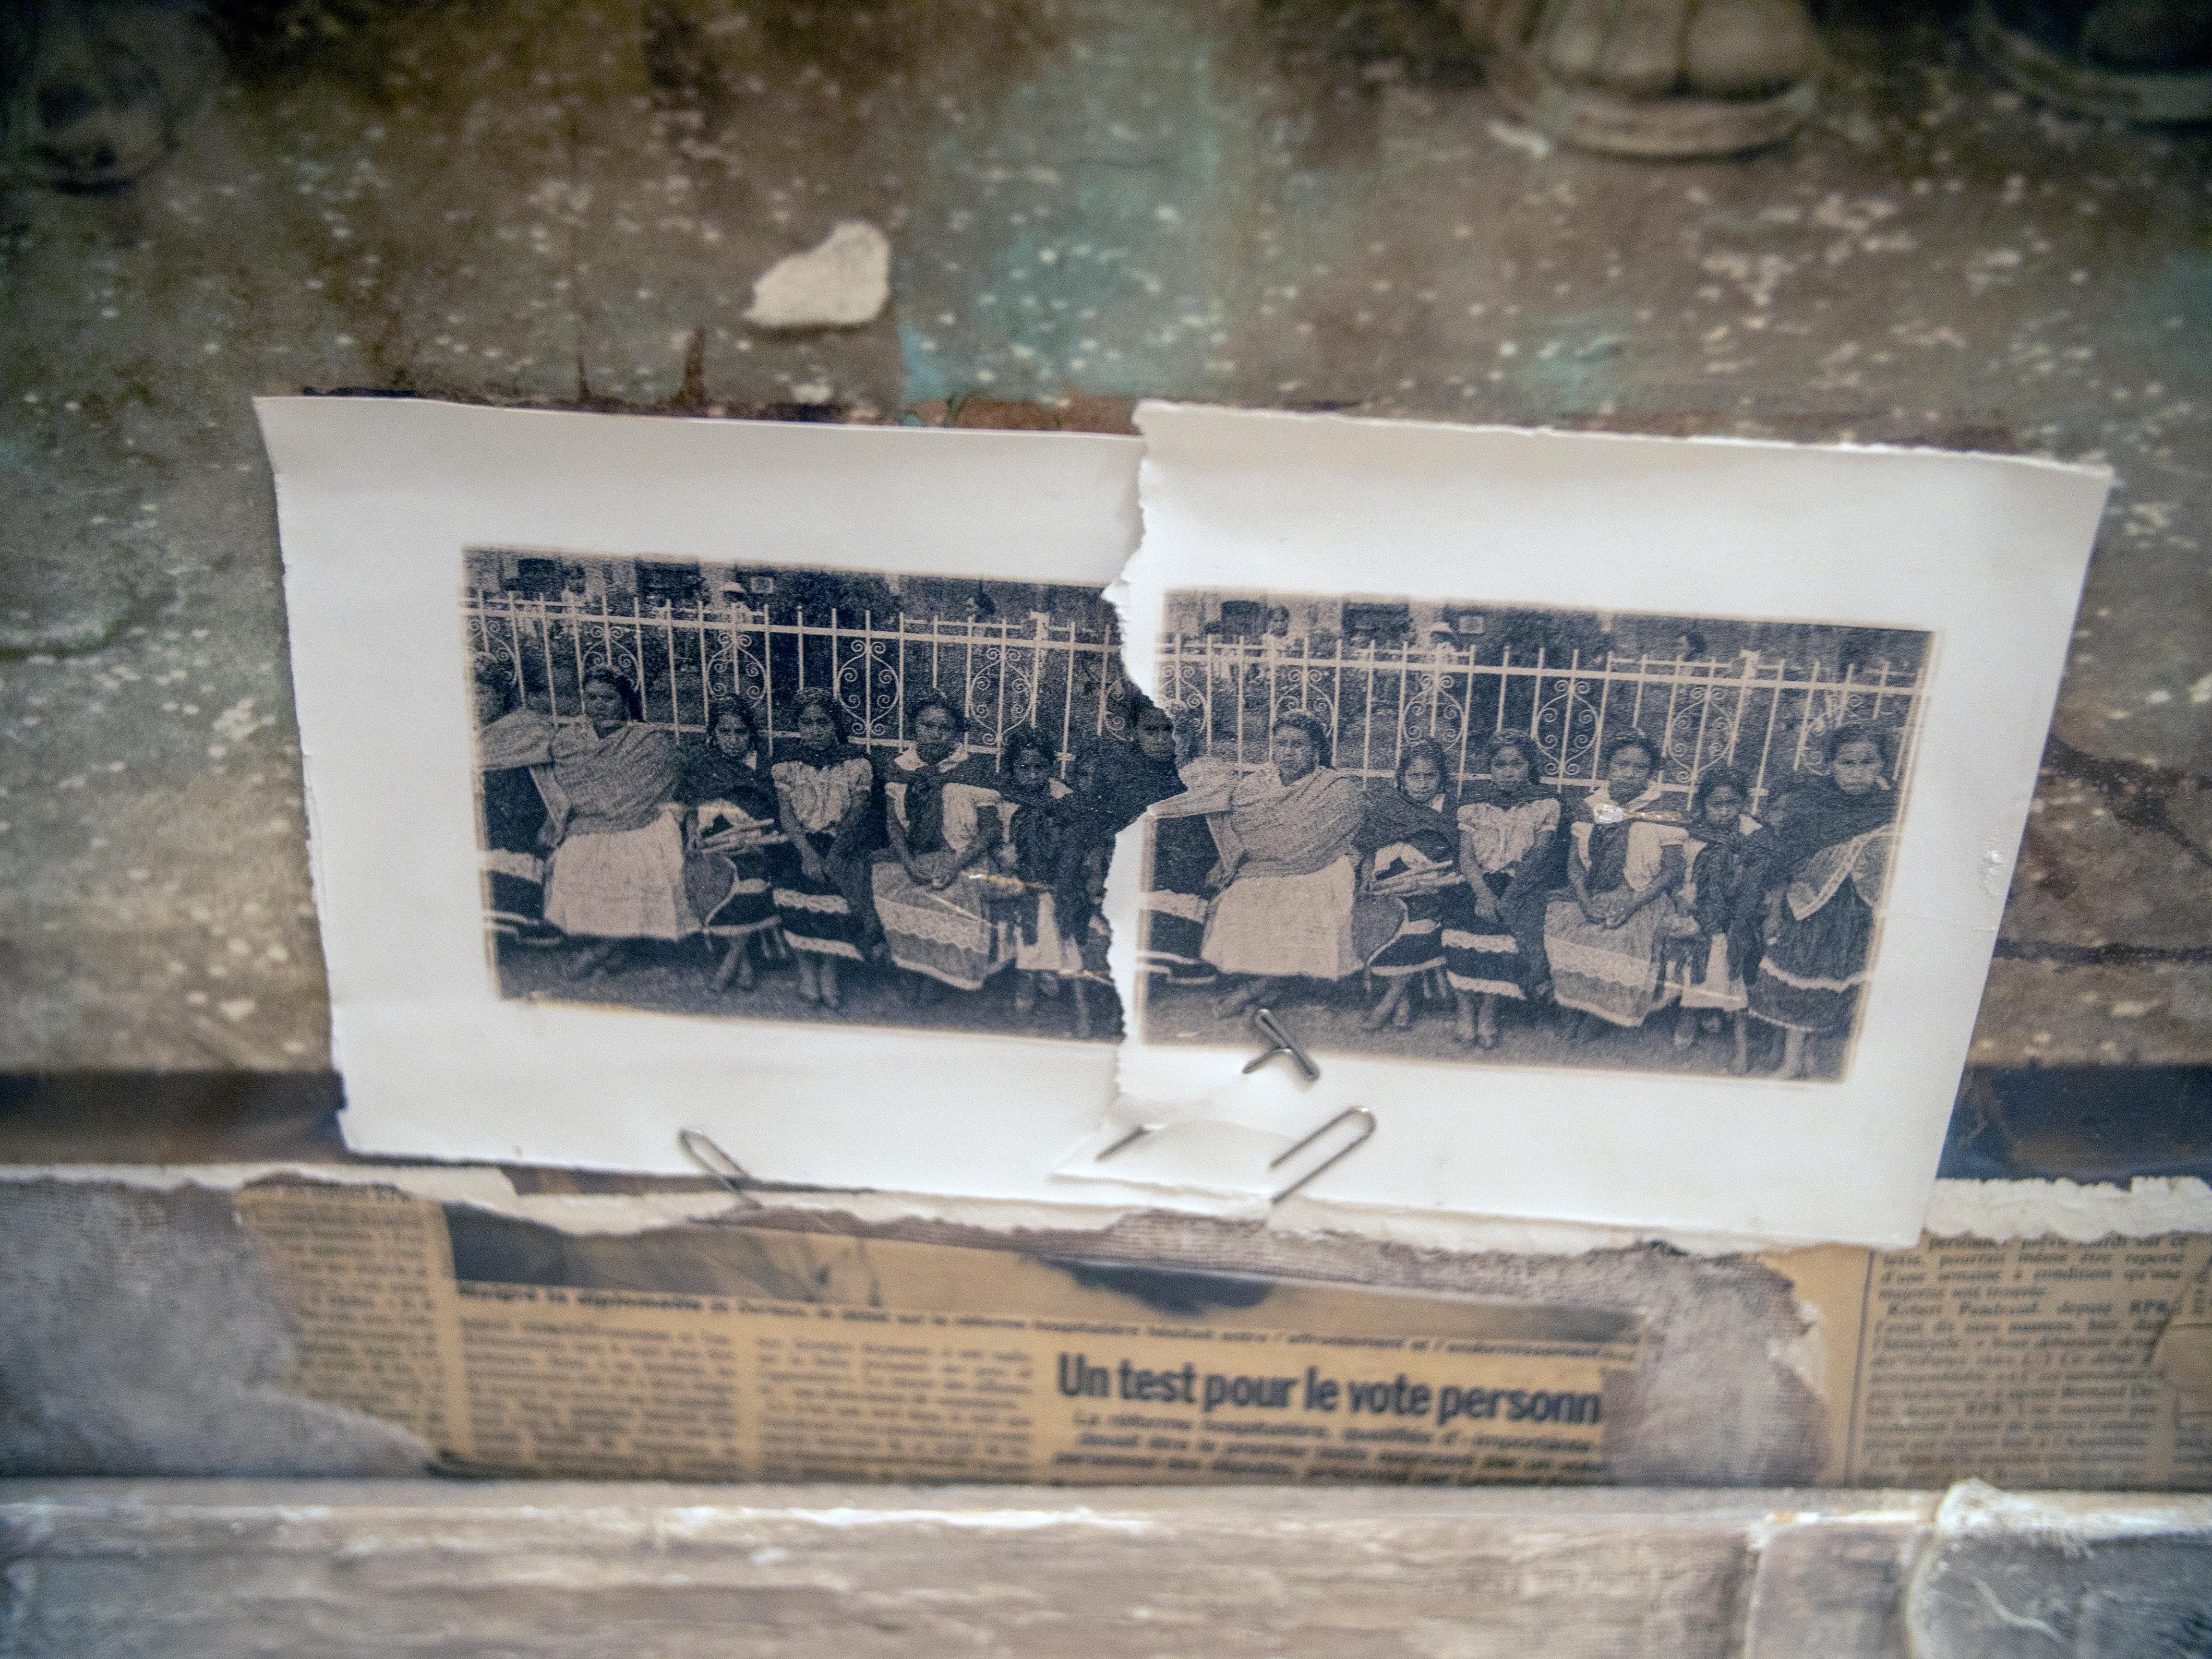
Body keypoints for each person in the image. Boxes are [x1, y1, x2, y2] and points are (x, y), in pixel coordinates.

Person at [1746, 725, 1898, 1079]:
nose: (1857, 772)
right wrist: (1774, 911)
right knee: (1800, 977)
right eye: (1846, 762)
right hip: (1809, 909)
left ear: (1882, 765)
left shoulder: (1890, 807)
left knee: (1835, 981)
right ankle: (1790, 1061)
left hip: (1856, 911)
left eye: (1868, 762)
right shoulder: (1811, 804)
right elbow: (1783, 861)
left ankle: (1810, 1058)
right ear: (1830, 764)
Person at [530, 666, 697, 979]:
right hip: (588, 823)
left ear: (625, 701)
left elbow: (655, 787)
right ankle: (615, 946)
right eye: (591, 698)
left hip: (641, 820)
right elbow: (566, 789)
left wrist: (616, 809)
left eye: (608, 698)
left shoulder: (649, 742)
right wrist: (592, 812)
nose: (599, 705)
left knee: (636, 858)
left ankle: (605, 949)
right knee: (577, 859)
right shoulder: (569, 742)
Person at [1201, 710, 1369, 1019]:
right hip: (1262, 866)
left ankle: (1260, 987)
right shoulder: (1254, 787)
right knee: (1244, 900)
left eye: (1299, 745)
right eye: (1282, 744)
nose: (1289, 752)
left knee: (1305, 902)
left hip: (1321, 865)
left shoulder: (1338, 788)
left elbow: (1322, 839)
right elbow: (1246, 833)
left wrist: (1283, 854)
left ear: (1316, 749)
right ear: (1273, 747)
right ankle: (1272, 984)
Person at [1543, 732, 1688, 1037]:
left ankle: (1601, 1012)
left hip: (1643, 895)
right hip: (1593, 891)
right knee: (1565, 927)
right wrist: (1583, 900)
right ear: (1608, 767)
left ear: (1650, 773)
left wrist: (1631, 905)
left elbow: (1673, 870)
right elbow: (1574, 864)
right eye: (1622, 765)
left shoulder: (1662, 809)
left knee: (1621, 936)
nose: (1629, 773)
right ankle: (1572, 1007)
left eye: (1639, 768)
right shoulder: (1591, 806)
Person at [872, 690, 1010, 998]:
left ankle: (939, 976)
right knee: (890, 887)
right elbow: (893, 823)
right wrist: (908, 862)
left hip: (964, 857)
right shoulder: (900, 769)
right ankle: (911, 969)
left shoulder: (974, 771)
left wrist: (956, 863)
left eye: (944, 728)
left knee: (955, 894)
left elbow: (990, 831)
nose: (935, 735)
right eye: (927, 726)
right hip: (914, 854)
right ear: (914, 728)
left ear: (956, 733)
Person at [1451, 733, 1564, 1047]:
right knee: (1459, 925)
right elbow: (1466, 858)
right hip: (1477, 882)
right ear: (1490, 768)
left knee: (1502, 937)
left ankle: (1489, 1011)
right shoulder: (1473, 806)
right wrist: (1483, 893)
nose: (1509, 771)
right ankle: (1465, 1010)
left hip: (1522, 883)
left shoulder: (1545, 805)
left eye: (1517, 764)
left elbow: (1539, 855)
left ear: (1530, 766)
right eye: (1500, 765)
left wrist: (1508, 895)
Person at [1357, 740, 1475, 1039]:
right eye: (1415, 777)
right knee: (1378, 916)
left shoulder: (1451, 809)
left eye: (1430, 777)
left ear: (1442, 779)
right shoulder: (1389, 808)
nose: (1422, 784)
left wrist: (1430, 875)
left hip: (1435, 885)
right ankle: (1405, 996)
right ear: (1402, 778)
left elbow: (1459, 854)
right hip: (1390, 883)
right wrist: (1368, 877)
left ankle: (1395, 997)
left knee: (1420, 921)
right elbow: (1370, 850)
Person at [769, 688, 877, 1009]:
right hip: (799, 842)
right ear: (799, 726)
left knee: (834, 902)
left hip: (840, 843)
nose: (815, 730)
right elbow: (786, 814)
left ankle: (830, 971)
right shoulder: (787, 763)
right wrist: (807, 855)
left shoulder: (856, 764)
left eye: (823, 723)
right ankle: (806, 970)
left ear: (835, 724)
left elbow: (857, 814)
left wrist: (832, 856)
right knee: (796, 898)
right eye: (808, 723)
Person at [678, 699, 786, 993]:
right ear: (714, 732)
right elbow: (692, 808)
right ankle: (744, 961)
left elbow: (773, 812)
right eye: (724, 731)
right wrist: (691, 836)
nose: (733, 739)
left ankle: (734, 958)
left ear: (751, 734)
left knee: (749, 878)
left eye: (740, 732)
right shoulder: (703, 764)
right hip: (712, 838)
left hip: (755, 839)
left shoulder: (764, 765)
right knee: (707, 874)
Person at [1662, 766, 1761, 1073]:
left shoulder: (1751, 833)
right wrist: (1683, 898)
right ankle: (1690, 1013)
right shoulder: (1691, 832)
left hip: (1738, 910)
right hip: (1698, 904)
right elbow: (1681, 872)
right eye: (1715, 805)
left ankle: (1717, 1011)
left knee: (1728, 957)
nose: (1723, 812)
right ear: (1703, 805)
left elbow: (1757, 878)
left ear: (1742, 803)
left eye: (1730, 804)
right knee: (1695, 956)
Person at [992, 724, 1093, 1023]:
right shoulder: (1003, 799)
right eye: (1024, 767)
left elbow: (1074, 847)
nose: (1033, 775)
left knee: (1049, 905)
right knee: (1038, 903)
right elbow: (998, 843)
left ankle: (1033, 976)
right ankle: (1050, 977)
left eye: (1040, 767)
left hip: (1056, 874)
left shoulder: (1063, 798)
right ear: (1012, 768)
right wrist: (1016, 865)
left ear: (1050, 766)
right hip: (1010, 872)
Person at [1137, 706, 1234, 989]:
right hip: (1154, 853)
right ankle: (1147, 966)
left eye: (1175, 732)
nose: (1166, 740)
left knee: (1179, 886)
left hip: (1196, 855)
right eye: (1155, 732)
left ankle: (1166, 964)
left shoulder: (1210, 773)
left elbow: (1230, 824)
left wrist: (1223, 862)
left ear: (1191, 737)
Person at [469, 664, 563, 950]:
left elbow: (551, 784)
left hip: (519, 814)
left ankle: (508, 919)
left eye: (483, 692)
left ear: (502, 695)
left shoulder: (529, 730)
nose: (474, 701)